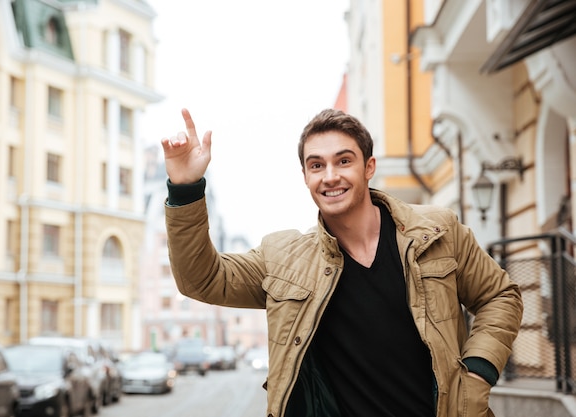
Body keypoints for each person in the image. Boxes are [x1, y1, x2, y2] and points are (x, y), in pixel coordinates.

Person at [161, 108, 523, 417]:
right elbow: (202, 279)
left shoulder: (437, 232)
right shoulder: (283, 258)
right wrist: (186, 189)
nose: (330, 176)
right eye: (316, 165)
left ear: (369, 167)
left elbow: (500, 296)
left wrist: (477, 374)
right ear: (305, 177)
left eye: (343, 160)